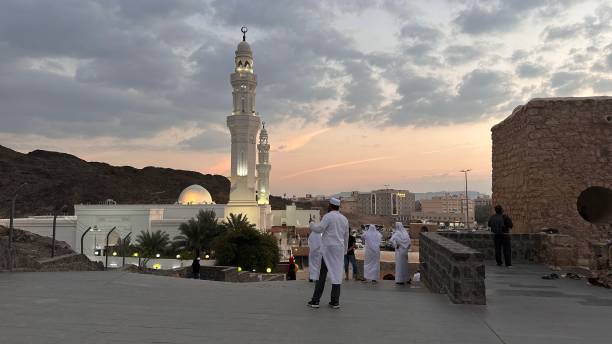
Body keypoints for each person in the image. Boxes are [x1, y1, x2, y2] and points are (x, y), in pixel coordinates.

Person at [307, 197, 349, 309]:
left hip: (328, 250)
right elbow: (346, 237)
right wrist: (344, 251)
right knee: (337, 274)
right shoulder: (344, 219)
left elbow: (319, 229)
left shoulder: (328, 217)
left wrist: (311, 224)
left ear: (330, 206)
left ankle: (315, 301)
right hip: (339, 250)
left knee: (322, 275)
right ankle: (335, 301)